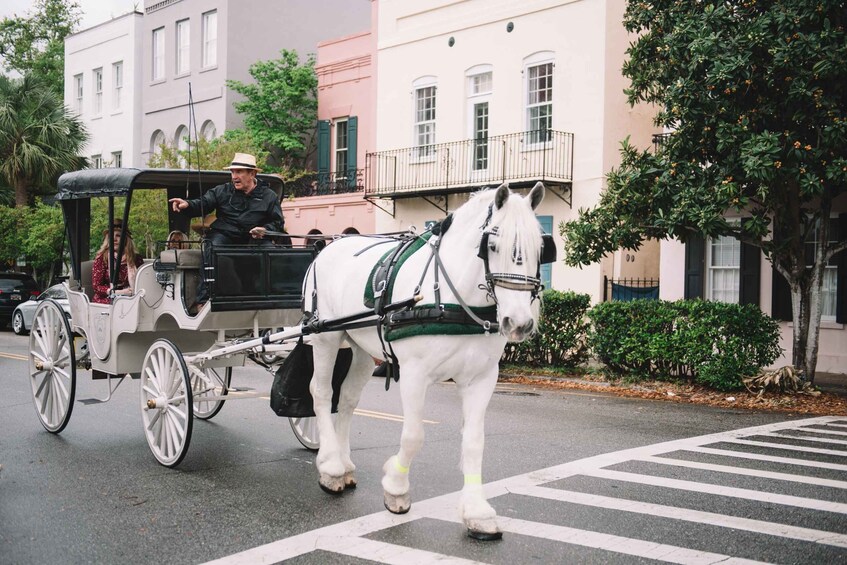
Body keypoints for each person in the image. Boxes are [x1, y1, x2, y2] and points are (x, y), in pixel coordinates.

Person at [168, 153, 284, 308]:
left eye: (239, 172)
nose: (234, 176)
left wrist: (264, 229)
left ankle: (270, 295)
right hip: (225, 234)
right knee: (212, 246)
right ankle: (203, 299)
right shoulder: (222, 191)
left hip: (254, 238)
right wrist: (187, 205)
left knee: (271, 251)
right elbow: (204, 203)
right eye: (232, 172)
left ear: (252, 173)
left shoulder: (269, 196)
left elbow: (278, 223)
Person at [91, 220, 144, 304]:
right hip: (106, 299)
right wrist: (119, 293)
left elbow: (142, 281)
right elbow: (97, 287)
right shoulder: (101, 258)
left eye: (118, 236)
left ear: (126, 239)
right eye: (111, 236)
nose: (114, 239)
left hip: (130, 298)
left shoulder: (136, 258)